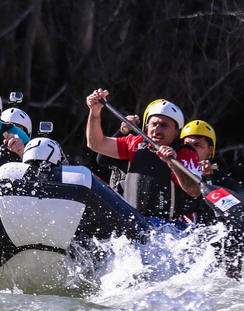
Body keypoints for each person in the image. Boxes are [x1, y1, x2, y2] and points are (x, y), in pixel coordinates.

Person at [85, 89, 202, 224]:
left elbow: (194, 190)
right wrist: (95, 112)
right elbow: (96, 144)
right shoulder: (135, 143)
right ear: (146, 127)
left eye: (164, 126)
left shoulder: (185, 154)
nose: (157, 130)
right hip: (137, 222)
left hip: (173, 227)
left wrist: (173, 164)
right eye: (153, 124)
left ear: (176, 132)